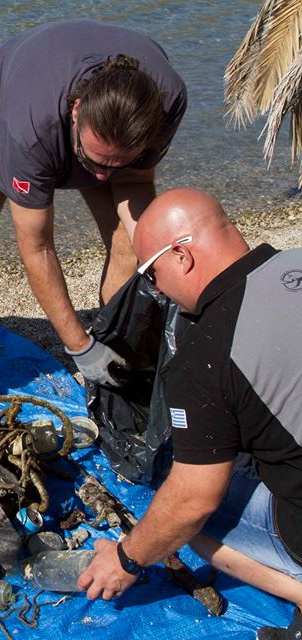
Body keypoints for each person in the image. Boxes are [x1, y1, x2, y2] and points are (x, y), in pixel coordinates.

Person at [0, 20, 187, 388]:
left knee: (128, 237)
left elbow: (135, 184)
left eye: (113, 166)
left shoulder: (166, 101)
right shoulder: (29, 130)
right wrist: (79, 347)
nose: (100, 178)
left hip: (100, 126)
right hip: (11, 109)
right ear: (75, 112)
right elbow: (38, 249)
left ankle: (114, 340)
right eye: (92, 163)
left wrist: (155, 261)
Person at [78, 188, 302, 640]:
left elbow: (193, 501)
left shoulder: (204, 355)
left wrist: (126, 559)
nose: (155, 290)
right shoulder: (294, 260)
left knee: (180, 521)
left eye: (152, 274)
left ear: (181, 255)